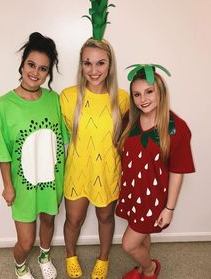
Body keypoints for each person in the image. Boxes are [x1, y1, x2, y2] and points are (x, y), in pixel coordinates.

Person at [0, 32, 69, 279]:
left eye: (43, 68)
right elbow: (2, 150)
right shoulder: (4, 105)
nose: (35, 73)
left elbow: (66, 138)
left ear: (49, 73)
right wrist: (7, 186)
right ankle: (20, 266)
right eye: (31, 65)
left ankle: (45, 256)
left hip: (51, 180)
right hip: (22, 186)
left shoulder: (55, 100)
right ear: (23, 64)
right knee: (24, 242)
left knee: (47, 222)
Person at [115, 64, 195, 279]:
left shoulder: (176, 128)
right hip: (133, 191)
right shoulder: (129, 121)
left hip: (154, 198)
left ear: (160, 91)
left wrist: (169, 208)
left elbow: (178, 171)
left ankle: (150, 269)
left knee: (129, 244)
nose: (143, 99)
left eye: (149, 91)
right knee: (142, 236)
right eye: (137, 94)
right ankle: (142, 268)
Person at [60, 38, 129, 279]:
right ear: (81, 66)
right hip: (77, 170)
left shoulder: (121, 99)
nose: (94, 70)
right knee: (73, 219)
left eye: (100, 63)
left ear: (110, 65)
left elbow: (131, 136)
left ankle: (103, 258)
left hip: (107, 171)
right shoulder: (67, 97)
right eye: (87, 63)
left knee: (105, 216)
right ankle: (70, 255)